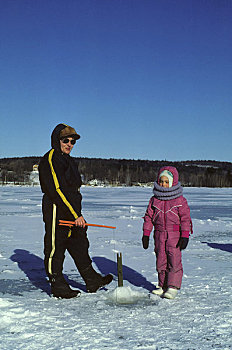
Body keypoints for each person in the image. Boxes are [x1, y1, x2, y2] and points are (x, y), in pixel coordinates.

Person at [39, 123, 113, 298]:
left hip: (73, 211)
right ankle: (57, 284)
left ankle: (92, 279)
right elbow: (57, 190)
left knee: (79, 242)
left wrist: (78, 215)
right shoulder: (51, 159)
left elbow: (73, 191)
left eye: (73, 142)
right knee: (56, 246)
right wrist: (75, 215)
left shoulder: (69, 160)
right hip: (57, 209)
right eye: (66, 141)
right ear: (57, 140)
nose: (70, 145)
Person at [142, 166, 192, 299]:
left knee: (174, 260)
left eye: (166, 181)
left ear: (172, 182)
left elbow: (185, 219)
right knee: (161, 260)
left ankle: (172, 287)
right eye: (161, 181)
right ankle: (162, 285)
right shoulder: (154, 199)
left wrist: (185, 235)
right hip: (159, 234)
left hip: (174, 235)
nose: (163, 184)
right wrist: (146, 234)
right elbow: (148, 217)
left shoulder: (180, 200)